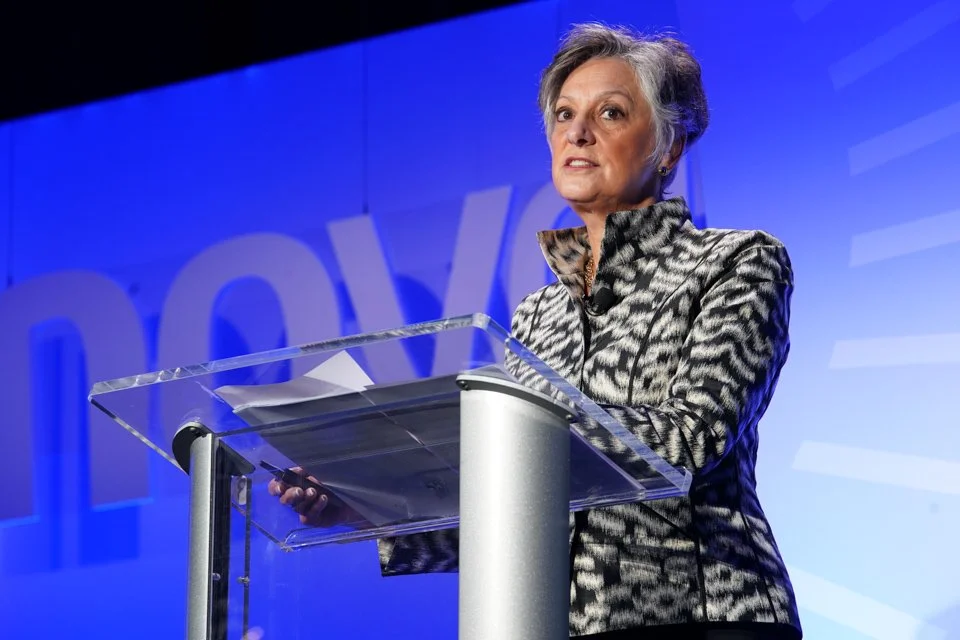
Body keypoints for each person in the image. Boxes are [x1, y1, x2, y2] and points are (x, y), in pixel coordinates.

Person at [270, 22, 802, 640]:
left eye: (610, 113)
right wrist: (366, 506)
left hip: (706, 615)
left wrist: (514, 435)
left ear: (668, 146)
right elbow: (523, 510)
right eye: (563, 114)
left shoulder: (737, 262)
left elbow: (691, 440)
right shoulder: (537, 313)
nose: (577, 132)